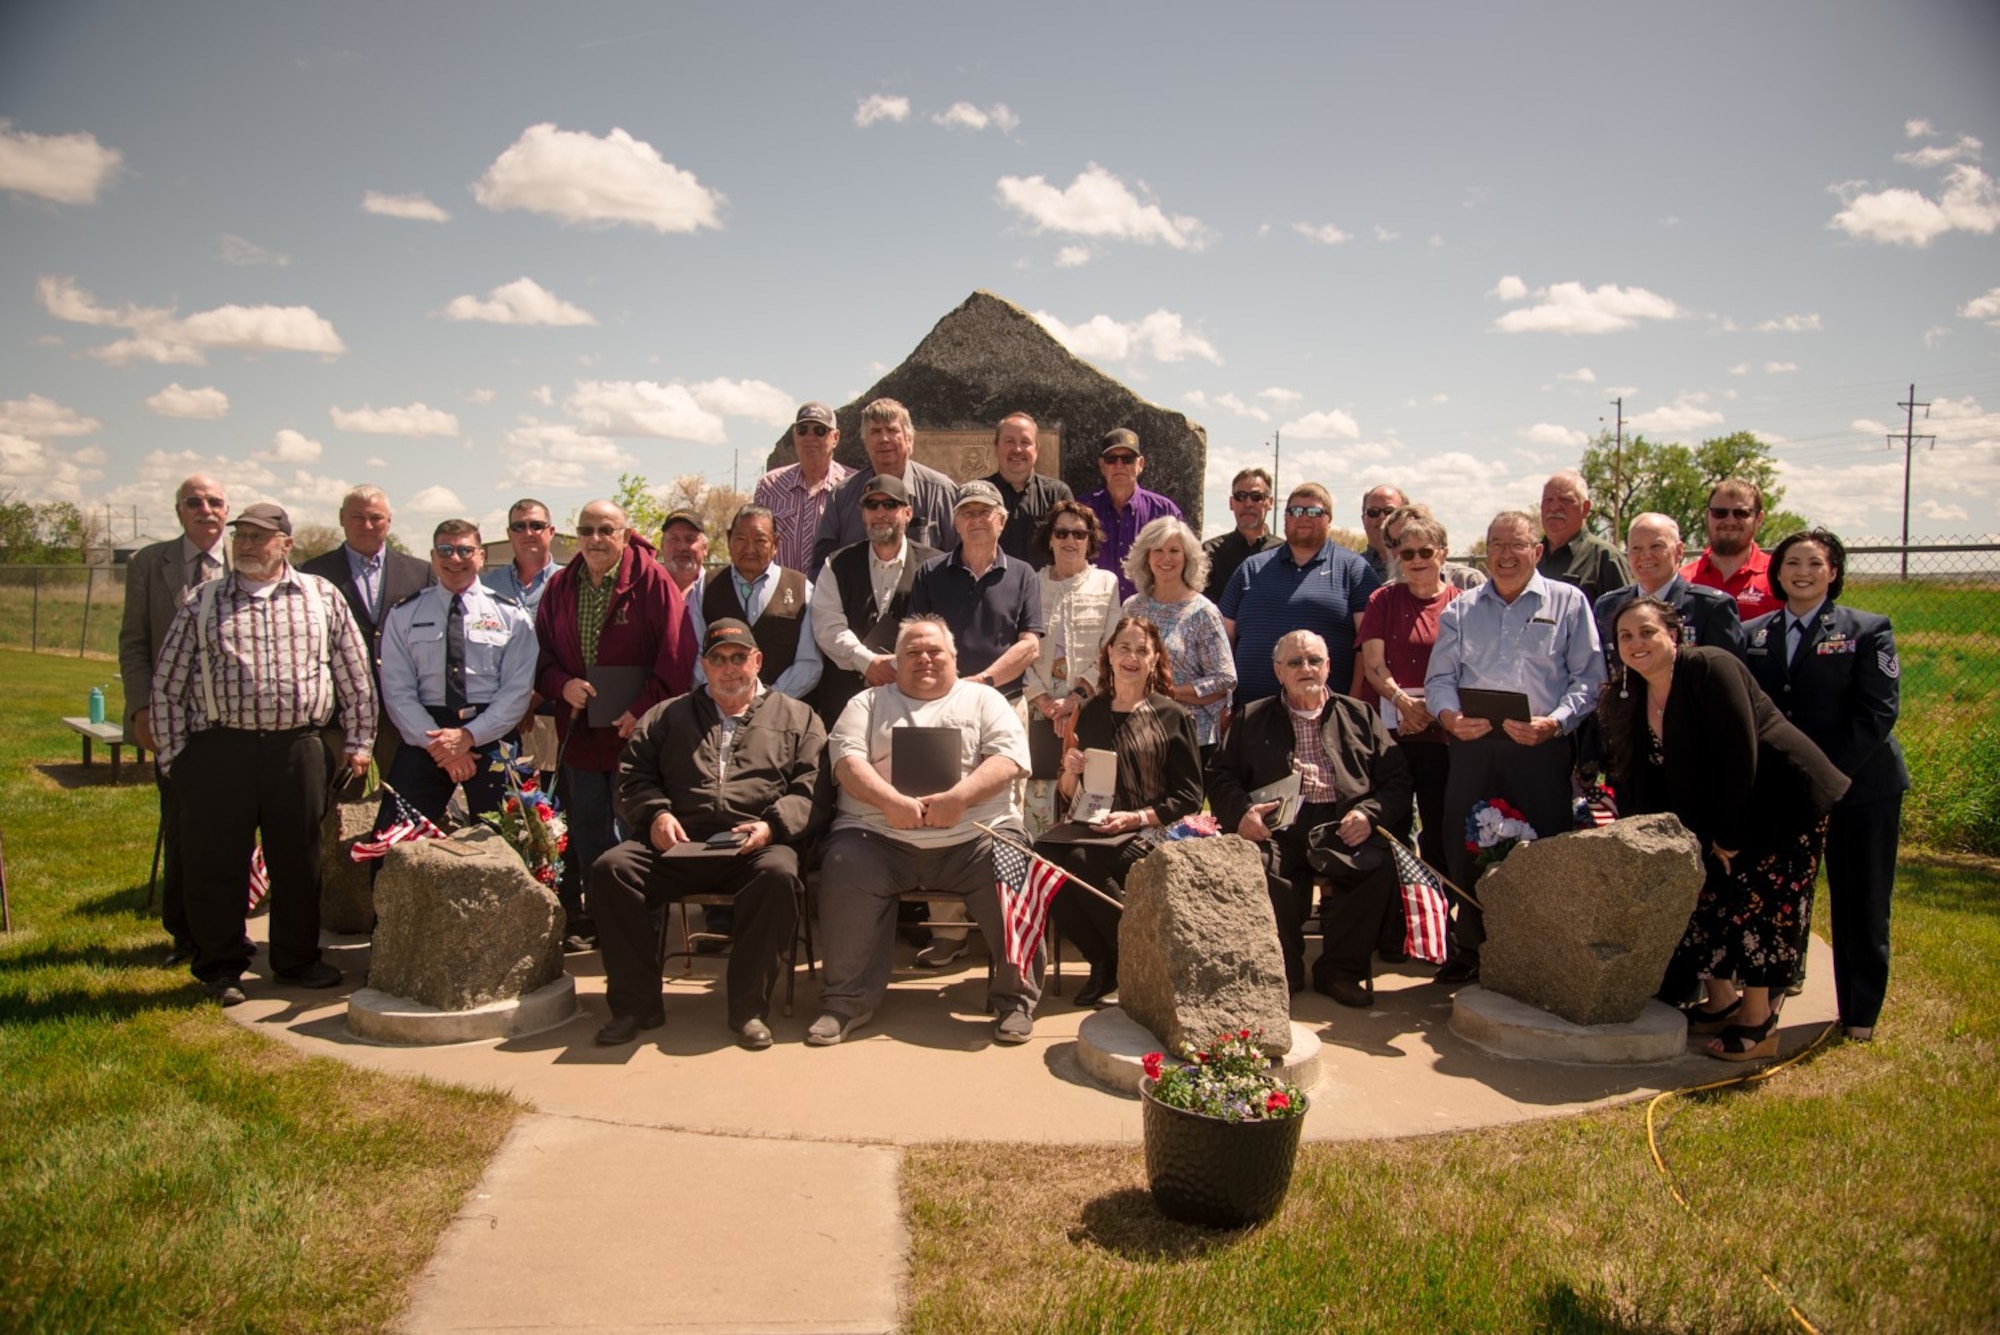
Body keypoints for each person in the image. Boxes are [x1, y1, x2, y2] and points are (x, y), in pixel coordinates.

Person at [148, 503, 377, 1005]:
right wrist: (174, 758)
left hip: (296, 750)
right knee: (216, 862)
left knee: (299, 861)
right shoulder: (203, 601)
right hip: (219, 751)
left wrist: (359, 742)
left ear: (285, 545)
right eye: (242, 536)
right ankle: (220, 966)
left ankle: (297, 960)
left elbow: (355, 676)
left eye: (259, 536)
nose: (247, 544)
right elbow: (167, 685)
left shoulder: (321, 597)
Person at [1601, 597, 1848, 1060]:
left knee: (1759, 903)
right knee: (1704, 895)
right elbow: (1642, 777)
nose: (1636, 643)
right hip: (1718, 811)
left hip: (1778, 801)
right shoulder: (1630, 693)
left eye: (1647, 632)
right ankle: (1721, 1002)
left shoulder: (1711, 668)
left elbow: (1741, 755)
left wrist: (1730, 838)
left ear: (1674, 634)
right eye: (1625, 636)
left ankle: (1758, 1020)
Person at [588, 620, 829, 1050]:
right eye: (718, 660)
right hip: (677, 843)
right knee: (612, 870)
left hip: (754, 846)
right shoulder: (666, 715)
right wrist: (656, 814)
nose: (729, 668)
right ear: (704, 666)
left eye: (739, 658)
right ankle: (635, 1007)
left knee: (778, 875)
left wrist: (772, 825)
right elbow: (632, 777)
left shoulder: (798, 717)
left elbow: (813, 789)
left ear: (757, 661)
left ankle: (749, 1010)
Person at [813, 616, 1040, 1045]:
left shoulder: (984, 700)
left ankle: (1015, 1001)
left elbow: (1009, 758)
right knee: (843, 863)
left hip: (975, 836)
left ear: (954, 657)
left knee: (1013, 863)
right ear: (895, 662)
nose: (924, 659)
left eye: (935, 651)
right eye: (912, 653)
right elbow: (846, 762)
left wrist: (960, 798)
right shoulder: (866, 703)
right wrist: (889, 802)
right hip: (878, 837)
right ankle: (845, 1002)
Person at [1425, 510, 1605, 984]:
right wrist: (1449, 718)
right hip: (1473, 746)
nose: (1505, 555)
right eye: (1496, 545)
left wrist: (1556, 722)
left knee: (1545, 848)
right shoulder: (1461, 609)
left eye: (1516, 544)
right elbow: (1439, 680)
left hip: (1540, 747)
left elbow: (1589, 679)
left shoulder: (1569, 603)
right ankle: (1472, 947)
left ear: (1537, 551)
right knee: (1462, 844)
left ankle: (1539, 950)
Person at [1744, 529, 1909, 1043]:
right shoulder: (1752, 634)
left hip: (1861, 789)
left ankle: (1859, 1015)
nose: (1803, 572)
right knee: (1777, 900)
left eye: (1815, 563)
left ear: (1833, 572)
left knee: (1861, 901)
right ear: (1777, 572)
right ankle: (1766, 1002)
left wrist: (1825, 776)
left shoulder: (1867, 630)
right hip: (1787, 793)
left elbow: (1877, 713)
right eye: (1792, 562)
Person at [1208, 629, 1412, 1002]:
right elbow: (1221, 776)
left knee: (1377, 867)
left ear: (1328, 666)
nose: (1306, 668)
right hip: (1278, 829)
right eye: (1295, 662)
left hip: (1342, 824)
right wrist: (1243, 813)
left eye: (1314, 660)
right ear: (1278, 671)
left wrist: (1368, 815)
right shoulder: (1251, 717)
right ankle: (1283, 970)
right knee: (1259, 866)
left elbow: (1397, 780)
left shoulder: (1359, 715)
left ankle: (1340, 972)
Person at [535, 500, 696, 951]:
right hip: (582, 735)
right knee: (588, 831)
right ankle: (605, 922)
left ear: (625, 534)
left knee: (639, 832)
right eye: (586, 530)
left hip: (636, 737)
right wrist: (562, 684)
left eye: (606, 530)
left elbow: (677, 656)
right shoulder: (560, 586)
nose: (595, 539)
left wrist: (643, 709)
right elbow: (542, 656)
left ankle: (646, 925)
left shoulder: (653, 581)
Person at [1041, 616, 1204, 1007]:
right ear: (1110, 654)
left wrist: (1135, 818)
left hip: (1150, 829)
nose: (1132, 657)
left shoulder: (1172, 716)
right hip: (1093, 825)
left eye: (1141, 650)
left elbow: (1189, 797)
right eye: (1124, 648)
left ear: (1154, 659)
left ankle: (1132, 958)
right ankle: (1104, 960)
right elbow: (1067, 792)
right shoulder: (1089, 711)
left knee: (1082, 861)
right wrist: (1072, 771)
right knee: (1044, 858)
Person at [119, 473, 230, 965]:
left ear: (227, 510)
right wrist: (142, 709)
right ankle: (185, 934)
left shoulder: (248, 559)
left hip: (238, 721)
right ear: (179, 510)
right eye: (194, 502)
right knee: (185, 827)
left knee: (240, 829)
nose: (206, 510)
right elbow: (134, 642)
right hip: (175, 719)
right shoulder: (150, 563)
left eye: (215, 502)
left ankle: (233, 924)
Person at [376, 519, 537, 828]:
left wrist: (468, 736)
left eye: (465, 550)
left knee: (513, 837)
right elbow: (397, 691)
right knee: (393, 836)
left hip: (492, 733)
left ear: (481, 556)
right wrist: (442, 747)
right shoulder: (404, 614)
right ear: (432, 557)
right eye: (445, 550)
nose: (455, 558)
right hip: (426, 734)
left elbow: (516, 692)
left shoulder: (511, 616)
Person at [298, 485, 434, 771]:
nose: (367, 525)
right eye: (357, 517)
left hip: (404, 709)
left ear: (389, 520)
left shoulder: (421, 573)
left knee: (405, 790)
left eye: (376, 518)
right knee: (335, 790)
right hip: (338, 713)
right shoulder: (311, 574)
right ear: (341, 518)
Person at [1356, 509, 1461, 879]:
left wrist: (1431, 711)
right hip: (1391, 735)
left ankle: (1442, 906)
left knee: (1440, 828)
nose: (1416, 560)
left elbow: (1468, 670)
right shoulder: (1382, 600)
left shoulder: (1462, 603)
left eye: (1426, 551)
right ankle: (1396, 906)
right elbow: (1373, 665)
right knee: (1392, 826)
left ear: (1443, 553)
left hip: (1444, 736)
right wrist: (1404, 704)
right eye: (1407, 553)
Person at [1219, 482, 1381, 706]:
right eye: (1295, 511)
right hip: (1251, 713)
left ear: (1329, 518)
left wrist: (1352, 706)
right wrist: (1224, 701)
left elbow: (1368, 647)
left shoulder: (1354, 569)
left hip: (1327, 713)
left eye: (1314, 511)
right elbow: (1222, 641)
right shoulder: (1251, 568)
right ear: (1285, 517)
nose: (1303, 517)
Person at [1021, 502, 1121, 834]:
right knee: (1037, 790)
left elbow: (1110, 648)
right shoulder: (1029, 582)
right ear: (1049, 538)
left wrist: (1075, 698)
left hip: (1088, 702)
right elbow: (1016, 645)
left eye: (1079, 533)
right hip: (1037, 703)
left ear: (1089, 540)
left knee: (1085, 783)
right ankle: (1036, 854)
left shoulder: (1106, 583)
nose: (1070, 540)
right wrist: (1043, 700)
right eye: (1061, 532)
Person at [810, 475, 940, 728]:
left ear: (908, 513)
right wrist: (866, 662)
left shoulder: (935, 565)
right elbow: (827, 625)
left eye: (890, 504)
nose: (880, 512)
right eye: (871, 505)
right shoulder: (837, 564)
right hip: (848, 702)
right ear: (863, 514)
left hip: (916, 703)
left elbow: (944, 630)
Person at [907, 480, 1043, 696]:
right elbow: (916, 640)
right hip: (942, 699)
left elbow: (1030, 646)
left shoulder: (1024, 574)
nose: (976, 519)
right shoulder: (930, 572)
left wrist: (984, 681)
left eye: (985, 512)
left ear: (1002, 521)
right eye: (967, 513)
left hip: (1005, 700)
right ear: (956, 523)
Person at [1120, 516, 1236, 760]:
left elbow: (1225, 679)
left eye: (1174, 551)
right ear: (1146, 556)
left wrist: (1169, 692)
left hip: (1189, 738)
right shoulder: (1132, 607)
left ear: (1187, 558)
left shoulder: (1203, 612)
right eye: (1158, 550)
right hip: (1137, 734)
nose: (1166, 558)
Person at [809, 397, 956, 577]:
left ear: (909, 439)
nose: (884, 439)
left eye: (892, 430)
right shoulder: (841, 496)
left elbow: (963, 559)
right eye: (875, 431)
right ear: (865, 442)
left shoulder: (941, 493)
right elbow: (821, 567)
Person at [698, 505, 822, 702]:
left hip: (783, 708)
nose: (750, 549)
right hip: (717, 708)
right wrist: (724, 696)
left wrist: (766, 701)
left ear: (775, 544)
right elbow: (695, 655)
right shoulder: (705, 587)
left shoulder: (802, 589)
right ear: (729, 539)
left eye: (760, 540)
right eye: (741, 539)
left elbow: (809, 663)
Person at [1592, 512, 1745, 666]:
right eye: (1636, 548)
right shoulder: (1607, 607)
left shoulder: (1711, 608)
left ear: (1679, 551)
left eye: (1656, 546)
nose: (1645, 555)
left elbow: (1729, 673)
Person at [481, 498, 562, 776]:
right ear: (509, 533)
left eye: (536, 525)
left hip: (551, 707)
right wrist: (512, 702)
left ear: (551, 531)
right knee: (504, 789)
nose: (528, 533)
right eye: (519, 526)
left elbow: (574, 650)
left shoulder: (569, 582)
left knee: (547, 793)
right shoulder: (485, 585)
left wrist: (534, 697)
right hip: (495, 710)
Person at [1083, 429, 1184, 601]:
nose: (1119, 465)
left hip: (1148, 610)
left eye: (1127, 459)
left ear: (1140, 464)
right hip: (1094, 610)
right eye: (1111, 459)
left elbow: (1182, 563)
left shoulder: (1164, 511)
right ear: (1102, 465)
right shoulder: (1083, 509)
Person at [756, 401, 853, 574]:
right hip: (782, 589)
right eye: (802, 430)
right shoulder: (769, 486)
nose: (810, 437)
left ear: (835, 438)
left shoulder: (853, 485)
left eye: (819, 430)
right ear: (795, 435)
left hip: (834, 590)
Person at [1680, 477, 1781, 621]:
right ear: (1707, 515)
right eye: (1719, 512)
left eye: (1741, 513)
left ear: (1759, 518)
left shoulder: (1779, 577)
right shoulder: (1682, 580)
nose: (1730, 521)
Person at [982, 411, 1072, 567]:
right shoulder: (980, 494)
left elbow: (1071, 547)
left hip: (1042, 582)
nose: (1017, 449)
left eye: (1025, 442)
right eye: (1009, 441)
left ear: (1037, 449)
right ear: (996, 447)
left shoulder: (1057, 494)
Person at [1536, 471, 1631, 603]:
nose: (1554, 507)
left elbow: (1628, 610)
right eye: (1548, 500)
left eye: (1565, 500)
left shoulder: (1605, 558)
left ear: (1585, 508)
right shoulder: (1529, 556)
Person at [1202, 466, 1282, 601]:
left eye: (1256, 497)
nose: (1248, 504)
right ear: (1231, 503)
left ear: (1270, 502)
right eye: (1241, 496)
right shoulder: (1209, 552)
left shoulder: (1284, 552)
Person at [1381, 503, 1485, 591]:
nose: (1416, 558)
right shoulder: (1385, 595)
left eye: (1417, 541)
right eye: (1397, 543)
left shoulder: (1468, 581)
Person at [658, 508, 710, 649]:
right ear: (662, 546)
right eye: (674, 539)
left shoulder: (717, 590)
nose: (681, 547)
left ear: (705, 548)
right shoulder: (647, 591)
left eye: (690, 539)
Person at [1358, 484, 1409, 581]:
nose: (1382, 517)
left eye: (1390, 511)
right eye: (1373, 512)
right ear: (1363, 520)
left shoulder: (1422, 564)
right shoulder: (1350, 569)